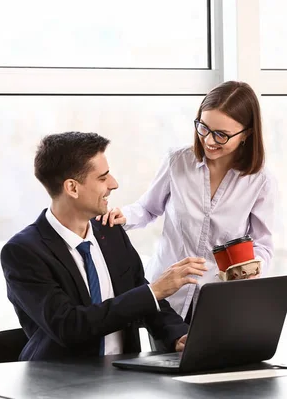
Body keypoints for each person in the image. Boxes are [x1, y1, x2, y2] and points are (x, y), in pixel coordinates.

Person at [0, 132, 207, 361]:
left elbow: (141, 294)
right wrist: (153, 291)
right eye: (102, 178)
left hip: (124, 377)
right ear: (72, 188)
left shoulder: (110, 230)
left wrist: (177, 335)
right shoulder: (23, 252)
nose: (114, 184)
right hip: (59, 382)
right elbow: (69, 326)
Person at [98, 81, 276, 320]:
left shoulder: (260, 180)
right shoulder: (177, 161)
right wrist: (125, 216)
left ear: (247, 134)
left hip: (220, 300)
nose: (209, 140)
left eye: (221, 135)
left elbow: (262, 245)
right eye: (204, 128)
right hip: (168, 297)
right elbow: (148, 209)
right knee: (164, 358)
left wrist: (250, 269)